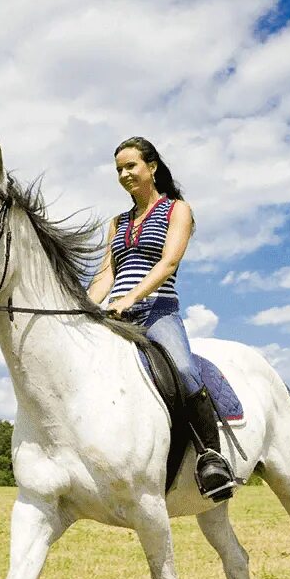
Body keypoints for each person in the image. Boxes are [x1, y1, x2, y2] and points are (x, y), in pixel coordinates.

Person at [87, 136, 236, 502]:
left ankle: (210, 458)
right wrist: (85, 306)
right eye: (118, 169)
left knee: (184, 370)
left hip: (158, 311)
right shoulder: (117, 223)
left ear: (151, 167)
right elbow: (106, 274)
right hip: (118, 315)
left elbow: (168, 262)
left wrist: (132, 297)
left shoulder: (177, 210)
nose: (124, 174)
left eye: (130, 166)